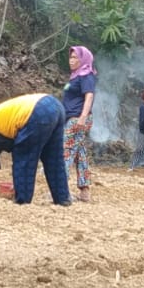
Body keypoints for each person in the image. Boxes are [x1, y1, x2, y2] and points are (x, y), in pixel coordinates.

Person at [0, 94, 72, 206]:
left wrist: (18, 182)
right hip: (55, 105)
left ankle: (22, 199)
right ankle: (62, 198)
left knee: (23, 159)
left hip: (37, 112)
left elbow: (10, 145)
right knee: (54, 158)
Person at [62, 45, 97, 202]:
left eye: (75, 57)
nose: (71, 60)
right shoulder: (75, 76)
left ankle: (61, 189)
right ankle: (85, 190)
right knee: (80, 154)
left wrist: (82, 117)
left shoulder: (86, 75)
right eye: (71, 57)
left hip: (78, 118)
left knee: (66, 151)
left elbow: (89, 97)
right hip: (72, 117)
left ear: (83, 59)